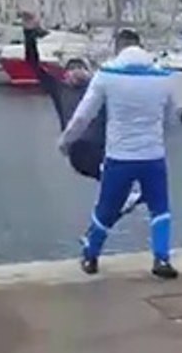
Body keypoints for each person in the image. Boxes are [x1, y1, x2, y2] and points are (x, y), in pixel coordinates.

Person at [58, 28, 180, 279]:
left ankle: (91, 257)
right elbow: (173, 119)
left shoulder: (107, 76)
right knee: (160, 208)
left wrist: (66, 141)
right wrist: (158, 137)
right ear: (141, 46)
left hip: (119, 157)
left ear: (119, 47)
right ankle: (162, 259)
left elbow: (83, 116)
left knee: (106, 208)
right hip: (152, 156)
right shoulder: (163, 77)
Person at [21, 13, 142, 214]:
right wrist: (29, 33)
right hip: (79, 151)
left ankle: (115, 204)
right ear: (64, 74)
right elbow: (33, 64)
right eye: (71, 69)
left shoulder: (100, 86)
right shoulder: (59, 89)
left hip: (106, 149)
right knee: (101, 162)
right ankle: (118, 191)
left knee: (130, 172)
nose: (76, 73)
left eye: (80, 69)